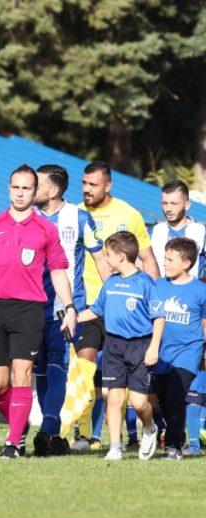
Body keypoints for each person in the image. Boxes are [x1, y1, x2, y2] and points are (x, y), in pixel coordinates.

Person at [0, 164, 76, 459]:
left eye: (26, 188)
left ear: (35, 192)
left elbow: (58, 272)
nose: (20, 193)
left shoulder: (46, 229)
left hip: (29, 310)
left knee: (23, 375)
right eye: (15, 187)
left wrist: (69, 307)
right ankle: (18, 429)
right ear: (9, 189)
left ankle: (13, 444)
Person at [74, 161, 159, 449]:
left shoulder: (129, 214)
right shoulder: (76, 214)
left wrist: (156, 303)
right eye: (84, 184)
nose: (86, 190)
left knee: (120, 381)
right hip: (89, 302)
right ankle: (83, 434)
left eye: (93, 185)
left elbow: (147, 259)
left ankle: (116, 436)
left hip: (126, 307)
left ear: (107, 185)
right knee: (84, 362)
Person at [31, 164, 107, 456]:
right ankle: (53, 435)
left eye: (36, 185)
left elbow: (100, 259)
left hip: (66, 309)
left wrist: (110, 296)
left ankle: (50, 429)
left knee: (58, 368)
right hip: (30, 307)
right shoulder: (27, 217)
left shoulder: (79, 218)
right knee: (38, 371)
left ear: (53, 190)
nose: (30, 190)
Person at [77, 231, 163, 461]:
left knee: (139, 402)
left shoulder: (145, 282)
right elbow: (96, 310)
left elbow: (159, 317)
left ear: (122, 256)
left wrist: (154, 347)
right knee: (113, 399)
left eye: (109, 255)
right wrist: (72, 318)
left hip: (140, 346)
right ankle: (115, 446)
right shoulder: (111, 283)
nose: (105, 259)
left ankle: (149, 427)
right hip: (113, 346)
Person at [149, 238, 206, 460]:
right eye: (165, 258)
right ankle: (176, 433)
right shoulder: (157, 286)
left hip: (188, 353)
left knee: (175, 396)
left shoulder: (201, 290)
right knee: (161, 399)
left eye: (170, 260)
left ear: (187, 263)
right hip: (162, 354)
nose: (165, 263)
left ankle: (172, 447)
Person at [151, 180, 206, 278]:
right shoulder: (154, 231)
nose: (168, 209)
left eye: (173, 203)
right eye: (165, 203)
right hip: (160, 291)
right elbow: (142, 263)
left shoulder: (201, 231)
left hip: (192, 292)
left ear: (187, 205)